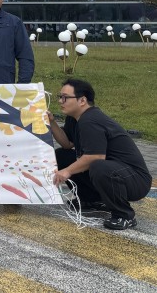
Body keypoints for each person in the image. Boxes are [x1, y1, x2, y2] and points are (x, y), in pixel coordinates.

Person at [50, 79, 152, 231]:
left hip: (135, 179)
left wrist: (67, 171)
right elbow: (67, 144)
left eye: (65, 97)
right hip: (113, 171)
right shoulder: (74, 118)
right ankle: (91, 200)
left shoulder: (90, 120)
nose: (60, 101)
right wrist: (51, 122)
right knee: (62, 155)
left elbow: (96, 157)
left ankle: (125, 215)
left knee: (98, 166)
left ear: (82, 100)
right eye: (60, 97)